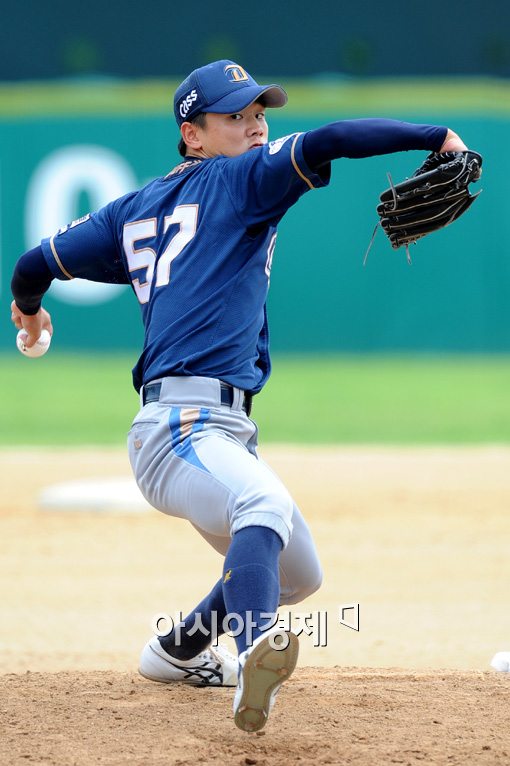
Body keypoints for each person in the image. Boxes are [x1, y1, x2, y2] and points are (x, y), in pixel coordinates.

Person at [10, 60, 469, 733]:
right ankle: (255, 652)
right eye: (235, 116)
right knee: (262, 506)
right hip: (177, 429)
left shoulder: (130, 211)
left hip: (217, 430)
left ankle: (178, 651)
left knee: (298, 574)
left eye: (259, 112)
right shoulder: (243, 179)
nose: (256, 125)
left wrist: (29, 315)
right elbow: (332, 138)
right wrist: (437, 136)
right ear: (192, 135)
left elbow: (33, 264)